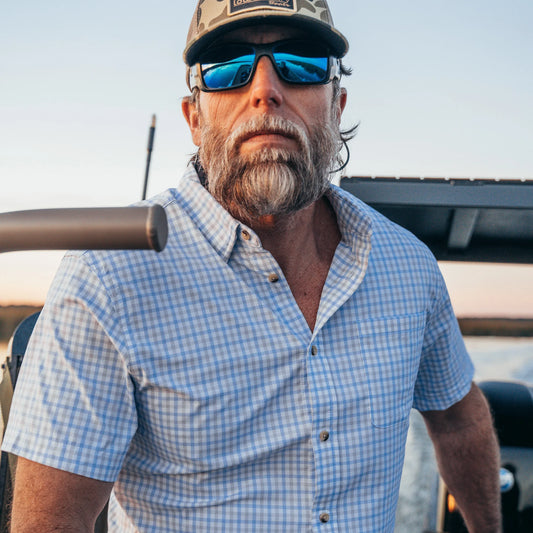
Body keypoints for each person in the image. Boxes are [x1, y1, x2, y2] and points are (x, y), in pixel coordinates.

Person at [2, 1, 501, 531]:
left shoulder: (409, 267)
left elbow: (459, 418)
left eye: (301, 63)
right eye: (228, 68)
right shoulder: (107, 278)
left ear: (337, 107)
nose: (265, 90)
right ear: (195, 119)